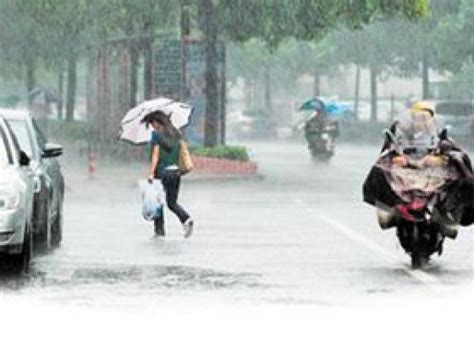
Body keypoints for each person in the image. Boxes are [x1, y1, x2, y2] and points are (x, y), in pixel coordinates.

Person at [141, 110, 194, 238]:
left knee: (157, 201)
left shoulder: (156, 136)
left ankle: (159, 231)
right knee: (172, 203)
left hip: (162, 172)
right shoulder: (177, 134)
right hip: (176, 172)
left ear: (157, 122)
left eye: (152, 123)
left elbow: (155, 156)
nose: (152, 126)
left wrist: (151, 173)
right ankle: (186, 219)